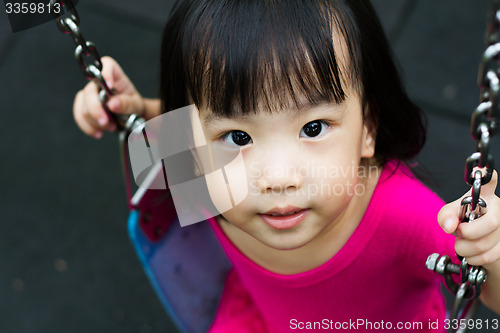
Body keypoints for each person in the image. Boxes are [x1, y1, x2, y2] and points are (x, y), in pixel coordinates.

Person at [73, 0, 500, 331]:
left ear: (368, 127)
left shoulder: (400, 214)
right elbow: (170, 132)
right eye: (239, 137)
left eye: (314, 127)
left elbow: (490, 293)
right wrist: (131, 110)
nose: (277, 178)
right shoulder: (204, 166)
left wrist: (492, 248)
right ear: (193, 136)